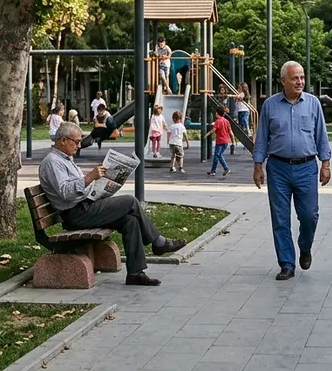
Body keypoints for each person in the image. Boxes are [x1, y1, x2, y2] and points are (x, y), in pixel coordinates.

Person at [38, 121, 186, 286]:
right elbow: (65, 192)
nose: (79, 146)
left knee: (131, 220)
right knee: (130, 201)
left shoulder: (65, 159)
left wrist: (100, 188)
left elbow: (77, 188)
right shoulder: (52, 162)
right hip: (76, 214)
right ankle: (159, 243)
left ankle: (135, 273)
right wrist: (89, 178)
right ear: (63, 140)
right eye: (77, 142)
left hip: (84, 206)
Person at [253, 61, 331, 281]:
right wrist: (258, 165)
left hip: (307, 167)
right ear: (283, 81)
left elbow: (321, 135)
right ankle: (287, 264)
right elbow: (262, 137)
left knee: (309, 216)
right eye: (295, 78)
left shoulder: (313, 103)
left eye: (302, 78)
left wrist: (325, 163)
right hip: (278, 168)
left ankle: (304, 247)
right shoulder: (270, 105)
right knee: (280, 218)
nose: (300, 82)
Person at [205, 107, 232, 177]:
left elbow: (213, 130)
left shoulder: (218, 121)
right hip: (226, 141)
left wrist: (207, 134)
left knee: (218, 155)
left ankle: (226, 168)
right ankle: (213, 171)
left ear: (217, 113)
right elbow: (230, 131)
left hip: (220, 141)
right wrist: (233, 140)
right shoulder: (226, 121)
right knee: (217, 156)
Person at [234, 82, 251, 154]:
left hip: (244, 110)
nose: (238, 89)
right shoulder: (240, 94)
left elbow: (240, 97)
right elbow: (236, 99)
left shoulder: (243, 94)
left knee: (244, 120)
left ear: (242, 88)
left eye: (239, 88)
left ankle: (248, 130)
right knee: (241, 123)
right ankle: (245, 131)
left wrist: (237, 96)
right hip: (240, 110)